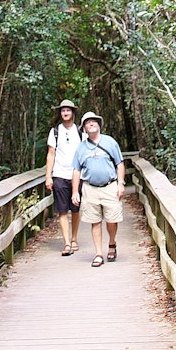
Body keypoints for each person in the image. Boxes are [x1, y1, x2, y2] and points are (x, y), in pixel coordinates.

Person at [71, 111, 124, 267]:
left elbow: (119, 163)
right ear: (84, 128)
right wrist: (75, 191)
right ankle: (99, 254)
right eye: (87, 123)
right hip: (90, 188)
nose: (91, 124)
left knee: (112, 219)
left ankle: (112, 243)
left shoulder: (110, 142)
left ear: (99, 125)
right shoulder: (81, 148)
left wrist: (121, 183)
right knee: (95, 221)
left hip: (110, 186)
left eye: (93, 121)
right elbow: (76, 170)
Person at [45, 99, 83, 256]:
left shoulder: (80, 131)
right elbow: (51, 154)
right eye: (63, 110)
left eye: (68, 110)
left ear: (73, 112)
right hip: (60, 174)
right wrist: (48, 176)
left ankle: (74, 238)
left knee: (75, 209)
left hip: (77, 175)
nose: (65, 113)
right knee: (62, 210)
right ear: (60, 113)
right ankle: (67, 243)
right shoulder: (55, 131)